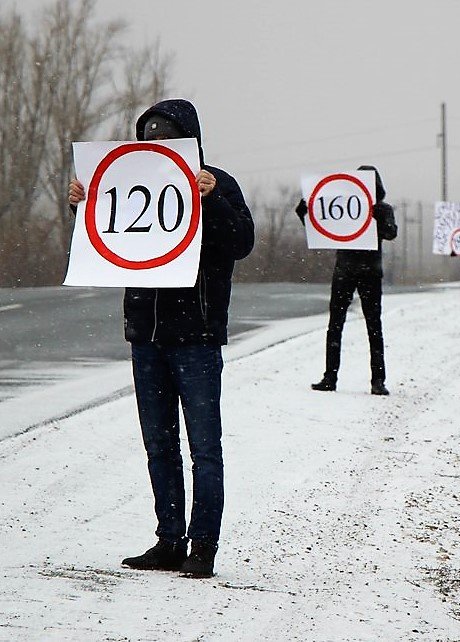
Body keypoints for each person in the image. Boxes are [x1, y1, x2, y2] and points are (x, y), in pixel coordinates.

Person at [68, 99, 255, 578]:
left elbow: (240, 244)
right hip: (146, 336)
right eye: (149, 138)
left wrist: (211, 200)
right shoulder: (130, 181)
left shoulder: (217, 182)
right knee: (159, 444)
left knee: (204, 447)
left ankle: (203, 547)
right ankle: (169, 540)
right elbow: (111, 242)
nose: (158, 146)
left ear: (189, 139)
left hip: (196, 335)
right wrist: (85, 205)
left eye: (168, 138)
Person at [295, 165, 397, 395]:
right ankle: (330, 377)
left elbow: (391, 233)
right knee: (336, 324)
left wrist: (381, 218)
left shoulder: (382, 208)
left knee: (373, 326)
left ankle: (377, 380)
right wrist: (305, 213)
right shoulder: (343, 204)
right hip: (346, 270)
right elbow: (324, 228)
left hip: (368, 272)